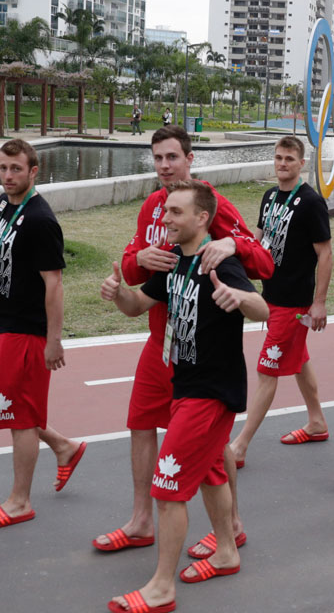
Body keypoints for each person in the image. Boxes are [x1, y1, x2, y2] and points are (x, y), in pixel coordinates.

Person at [94, 125, 273, 555]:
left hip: (202, 352)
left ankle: (230, 525)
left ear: (190, 159)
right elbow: (135, 276)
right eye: (157, 158)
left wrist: (230, 245)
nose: (164, 166)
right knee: (139, 423)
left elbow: (262, 262)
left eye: (172, 157)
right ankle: (141, 522)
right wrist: (135, 260)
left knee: (208, 443)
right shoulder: (155, 205)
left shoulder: (208, 203)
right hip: (162, 340)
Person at [0, 139, 86, 529]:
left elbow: (54, 284)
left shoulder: (41, 220)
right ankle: (64, 446)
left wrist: (53, 340)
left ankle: (20, 501)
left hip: (25, 333)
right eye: (3, 168)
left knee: (19, 417)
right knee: (5, 405)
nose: (8, 177)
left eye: (16, 170)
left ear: (33, 171)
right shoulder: (3, 204)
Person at [229, 136, 333, 463]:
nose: (282, 163)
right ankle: (317, 422)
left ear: (302, 163)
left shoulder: (311, 202)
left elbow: (326, 254)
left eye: (289, 158)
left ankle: (240, 446)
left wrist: (319, 302)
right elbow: (258, 239)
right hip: (271, 295)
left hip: (295, 302)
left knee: (266, 369)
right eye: (278, 157)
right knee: (298, 360)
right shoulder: (270, 196)